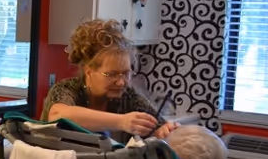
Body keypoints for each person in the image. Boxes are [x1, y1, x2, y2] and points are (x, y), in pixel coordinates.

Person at [42, 19, 178, 142]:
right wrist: (121, 122)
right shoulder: (65, 89)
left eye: (126, 73)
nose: (121, 82)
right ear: (89, 71)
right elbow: (58, 115)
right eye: (112, 74)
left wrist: (162, 133)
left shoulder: (128, 97)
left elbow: (160, 127)